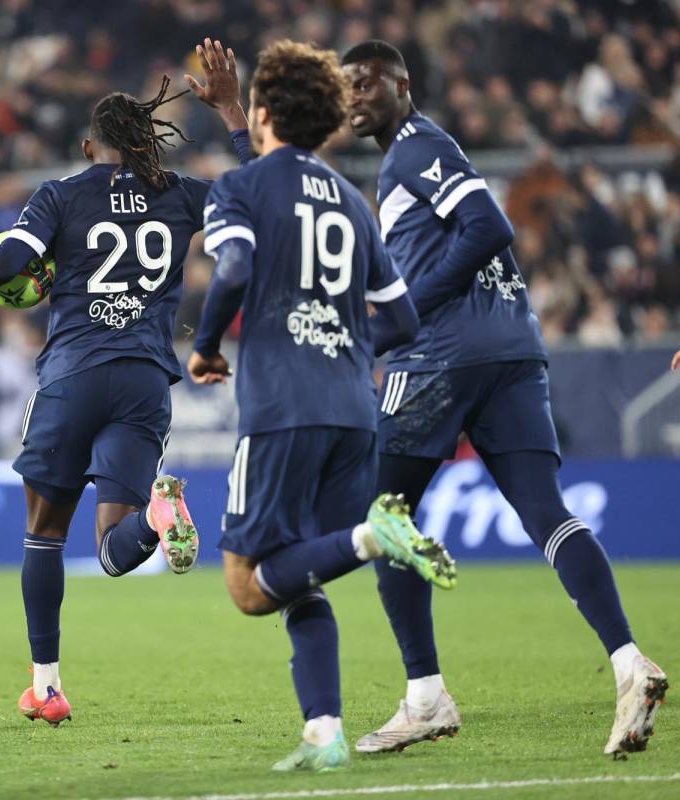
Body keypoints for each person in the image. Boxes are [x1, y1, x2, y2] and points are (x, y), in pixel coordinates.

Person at [340, 39, 667, 758]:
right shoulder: (421, 153)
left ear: (401, 81)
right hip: (514, 349)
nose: (353, 97)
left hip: (442, 358)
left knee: (384, 515)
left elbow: (490, 226)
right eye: (345, 89)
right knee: (547, 514)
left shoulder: (413, 148)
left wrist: (408, 310)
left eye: (364, 84)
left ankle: (425, 698)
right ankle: (627, 662)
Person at [0, 40, 254, 727]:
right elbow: (262, 194)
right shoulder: (183, 196)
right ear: (148, 140)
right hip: (145, 380)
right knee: (115, 551)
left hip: (74, 376)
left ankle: (48, 686)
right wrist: (234, 114)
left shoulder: (62, 194)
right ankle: (157, 513)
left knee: (44, 535)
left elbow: (6, 260)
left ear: (92, 145)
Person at [187, 40, 454, 773]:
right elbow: (400, 322)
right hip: (351, 412)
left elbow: (235, 264)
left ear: (266, 114)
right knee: (296, 569)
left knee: (247, 588)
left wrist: (208, 344)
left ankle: (376, 537)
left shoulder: (238, 189)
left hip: (280, 408)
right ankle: (323, 731)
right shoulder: (350, 199)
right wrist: (341, 342)